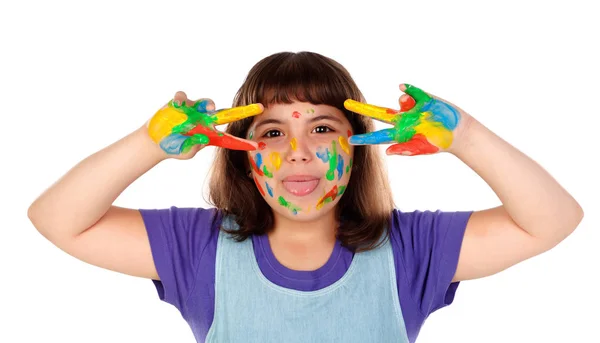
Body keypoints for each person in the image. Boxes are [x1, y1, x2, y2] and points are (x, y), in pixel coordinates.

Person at [27, 51, 584, 342]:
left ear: (358, 145)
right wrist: (151, 143)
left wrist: (465, 134)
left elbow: (554, 220)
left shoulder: (413, 248)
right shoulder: (197, 247)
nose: (297, 152)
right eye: (272, 132)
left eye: (321, 128)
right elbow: (56, 219)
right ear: (243, 153)